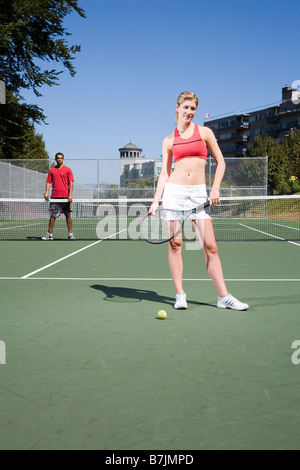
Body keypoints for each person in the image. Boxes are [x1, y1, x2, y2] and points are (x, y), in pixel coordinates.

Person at [149, 91, 249, 311]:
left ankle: (224, 297)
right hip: (174, 194)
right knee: (175, 245)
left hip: (198, 194)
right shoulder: (168, 140)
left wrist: (214, 188)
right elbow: (164, 174)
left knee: (211, 247)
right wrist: (156, 201)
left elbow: (221, 162)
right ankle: (180, 294)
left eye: (193, 108)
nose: (189, 112)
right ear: (177, 108)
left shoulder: (205, 132)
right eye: (185, 107)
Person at [42, 152, 75, 240]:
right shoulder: (52, 170)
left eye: (61, 158)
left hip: (65, 197)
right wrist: (46, 192)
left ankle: (70, 234)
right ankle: (49, 234)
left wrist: (70, 195)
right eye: (58, 158)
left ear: (63, 159)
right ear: (56, 159)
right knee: (52, 216)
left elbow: (71, 183)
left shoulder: (68, 170)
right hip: (54, 197)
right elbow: (49, 182)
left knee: (68, 215)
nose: (59, 159)